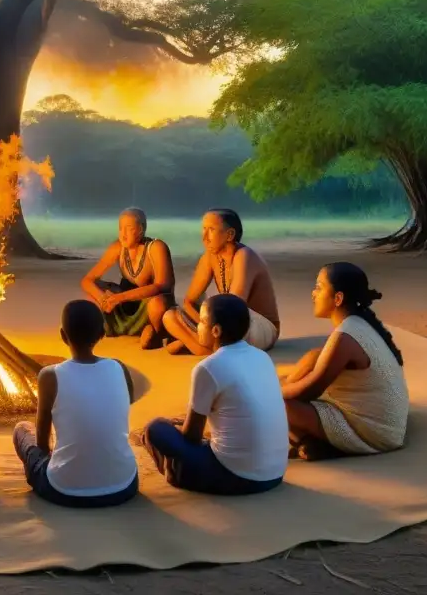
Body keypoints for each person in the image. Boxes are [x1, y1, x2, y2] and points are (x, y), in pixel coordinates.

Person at [142, 294, 288, 495]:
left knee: (156, 429)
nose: (198, 326)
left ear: (216, 331)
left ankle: (176, 473)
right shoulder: (261, 357)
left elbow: (192, 437)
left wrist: (175, 427)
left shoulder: (208, 368)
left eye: (202, 322)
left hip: (237, 476)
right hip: (274, 473)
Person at [12, 300, 139, 507]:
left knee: (22, 430)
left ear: (63, 335)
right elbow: (125, 404)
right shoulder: (118, 368)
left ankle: (48, 473)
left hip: (64, 491)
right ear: (102, 334)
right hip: (124, 486)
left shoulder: (50, 375)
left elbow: (42, 440)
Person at [281, 262, 409, 461]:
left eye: (319, 287)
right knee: (314, 357)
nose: (313, 294)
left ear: (338, 298)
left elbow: (309, 390)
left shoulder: (345, 337)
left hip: (376, 434)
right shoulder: (358, 323)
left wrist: (271, 393)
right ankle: (312, 442)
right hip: (387, 425)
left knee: (277, 405)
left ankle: (313, 442)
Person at [162, 208, 280, 355]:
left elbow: (235, 307)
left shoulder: (244, 256)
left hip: (257, 325)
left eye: (211, 230)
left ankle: (198, 346)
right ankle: (204, 345)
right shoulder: (209, 257)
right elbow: (189, 301)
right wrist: (204, 326)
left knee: (222, 314)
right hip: (222, 324)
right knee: (170, 316)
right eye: (203, 229)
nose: (204, 236)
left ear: (230, 235)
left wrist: (207, 328)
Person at [81, 207, 175, 349]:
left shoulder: (156, 247)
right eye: (120, 228)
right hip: (124, 304)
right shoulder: (117, 248)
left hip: (148, 305)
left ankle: (156, 333)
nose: (123, 234)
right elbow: (87, 281)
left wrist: (120, 298)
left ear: (141, 230)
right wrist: (103, 299)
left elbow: (163, 285)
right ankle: (100, 326)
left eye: (129, 228)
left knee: (158, 304)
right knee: (93, 294)